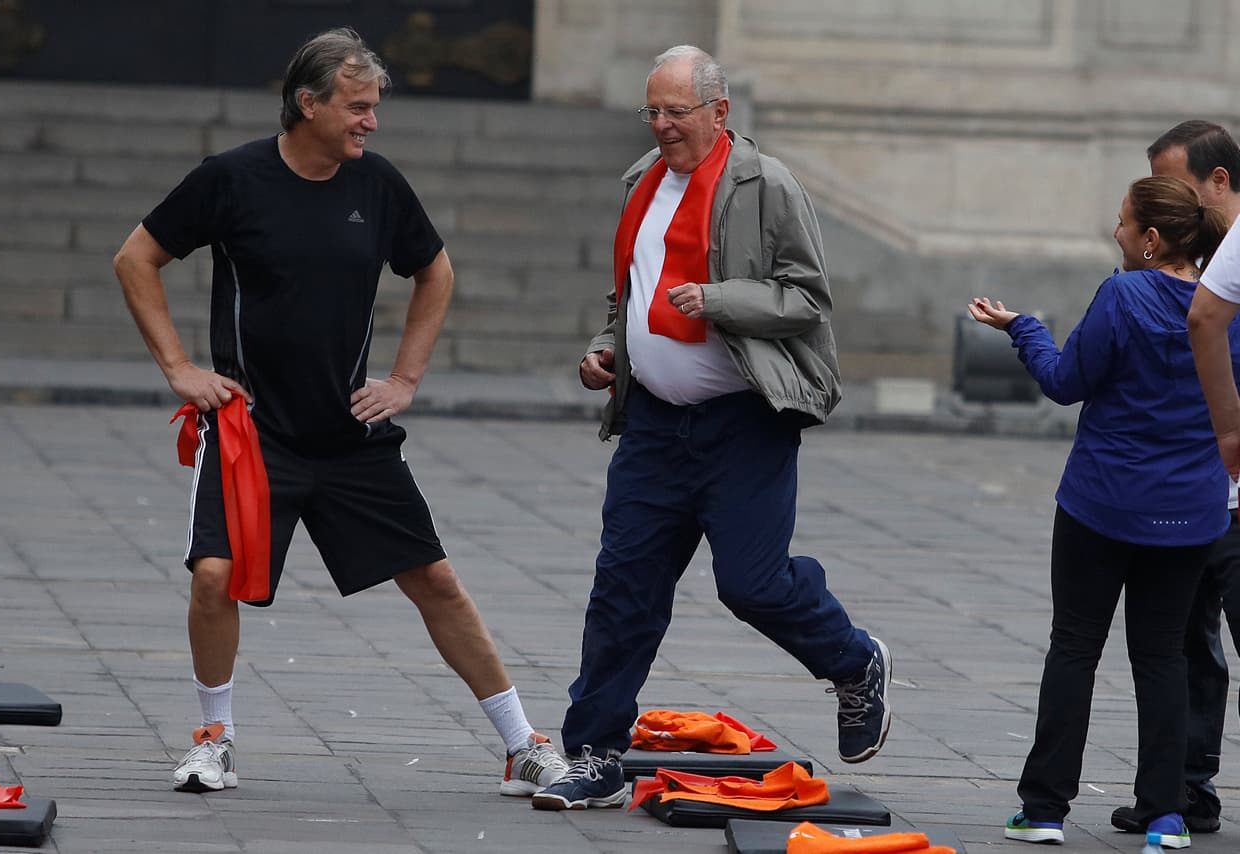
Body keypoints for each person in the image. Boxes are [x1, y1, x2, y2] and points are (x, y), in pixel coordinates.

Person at [111, 27, 565, 798]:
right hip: (254, 435)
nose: (371, 122)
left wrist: (405, 378)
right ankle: (213, 739)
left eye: (374, 108)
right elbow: (136, 257)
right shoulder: (231, 179)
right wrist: (181, 369)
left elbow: (436, 271)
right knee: (214, 577)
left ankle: (523, 746)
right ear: (307, 103)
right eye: (357, 107)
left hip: (352, 437)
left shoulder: (378, 185)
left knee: (437, 581)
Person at [529, 45, 891, 812]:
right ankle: (592, 752)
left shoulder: (768, 184)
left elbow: (807, 298)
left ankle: (854, 663)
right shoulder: (641, 182)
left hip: (745, 423)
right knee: (623, 589)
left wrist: (720, 299)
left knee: (752, 585)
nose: (661, 127)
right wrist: (603, 353)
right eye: (651, 111)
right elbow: (626, 301)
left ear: (719, 113)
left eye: (676, 112)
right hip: (656, 425)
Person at [968, 176, 1232, 848]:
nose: (1114, 233)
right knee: (1166, 658)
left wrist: (1024, 328)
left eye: (1122, 223)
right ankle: (1167, 814)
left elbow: (1063, 383)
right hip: (1193, 511)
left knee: (1075, 648)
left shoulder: (1124, 294)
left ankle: (1045, 810)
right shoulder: (1226, 308)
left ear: (1149, 239)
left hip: (1103, 505)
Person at [1106, 120, 1240, 836]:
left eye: (1178, 188)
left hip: (1225, 482)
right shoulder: (1192, 269)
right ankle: (1187, 790)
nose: (1165, 205)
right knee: (1189, 643)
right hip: (1198, 493)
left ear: (1218, 184)